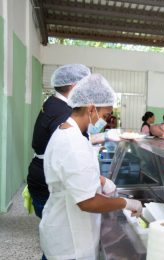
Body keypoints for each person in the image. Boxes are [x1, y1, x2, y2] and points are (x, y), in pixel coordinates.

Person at [40, 74, 142, 260]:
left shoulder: (68, 131)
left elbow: (70, 174)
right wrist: (125, 203)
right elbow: (87, 202)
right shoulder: (73, 143)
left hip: (63, 223)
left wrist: (100, 180)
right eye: (105, 115)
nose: (104, 120)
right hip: (70, 240)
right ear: (91, 108)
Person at [27, 64, 91, 219]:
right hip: (47, 177)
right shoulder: (63, 111)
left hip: (39, 171)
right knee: (54, 226)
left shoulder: (53, 102)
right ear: (75, 86)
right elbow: (70, 149)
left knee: (49, 222)